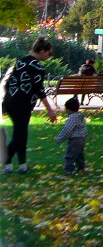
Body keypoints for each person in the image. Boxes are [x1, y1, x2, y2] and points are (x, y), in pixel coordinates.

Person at [2, 36, 58, 173]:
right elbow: (39, 90)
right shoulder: (37, 66)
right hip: (22, 104)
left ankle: (20, 165)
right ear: (42, 51)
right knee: (20, 135)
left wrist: (5, 102)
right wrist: (50, 110)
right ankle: (7, 159)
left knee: (21, 133)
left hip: (10, 102)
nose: (49, 56)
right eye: (49, 53)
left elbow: (8, 83)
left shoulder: (21, 61)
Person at [55, 96, 88, 174]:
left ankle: (68, 169)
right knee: (79, 155)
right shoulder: (80, 117)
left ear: (69, 109)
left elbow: (67, 130)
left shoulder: (72, 119)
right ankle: (81, 168)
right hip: (82, 139)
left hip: (74, 140)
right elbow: (84, 129)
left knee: (70, 155)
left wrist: (59, 138)